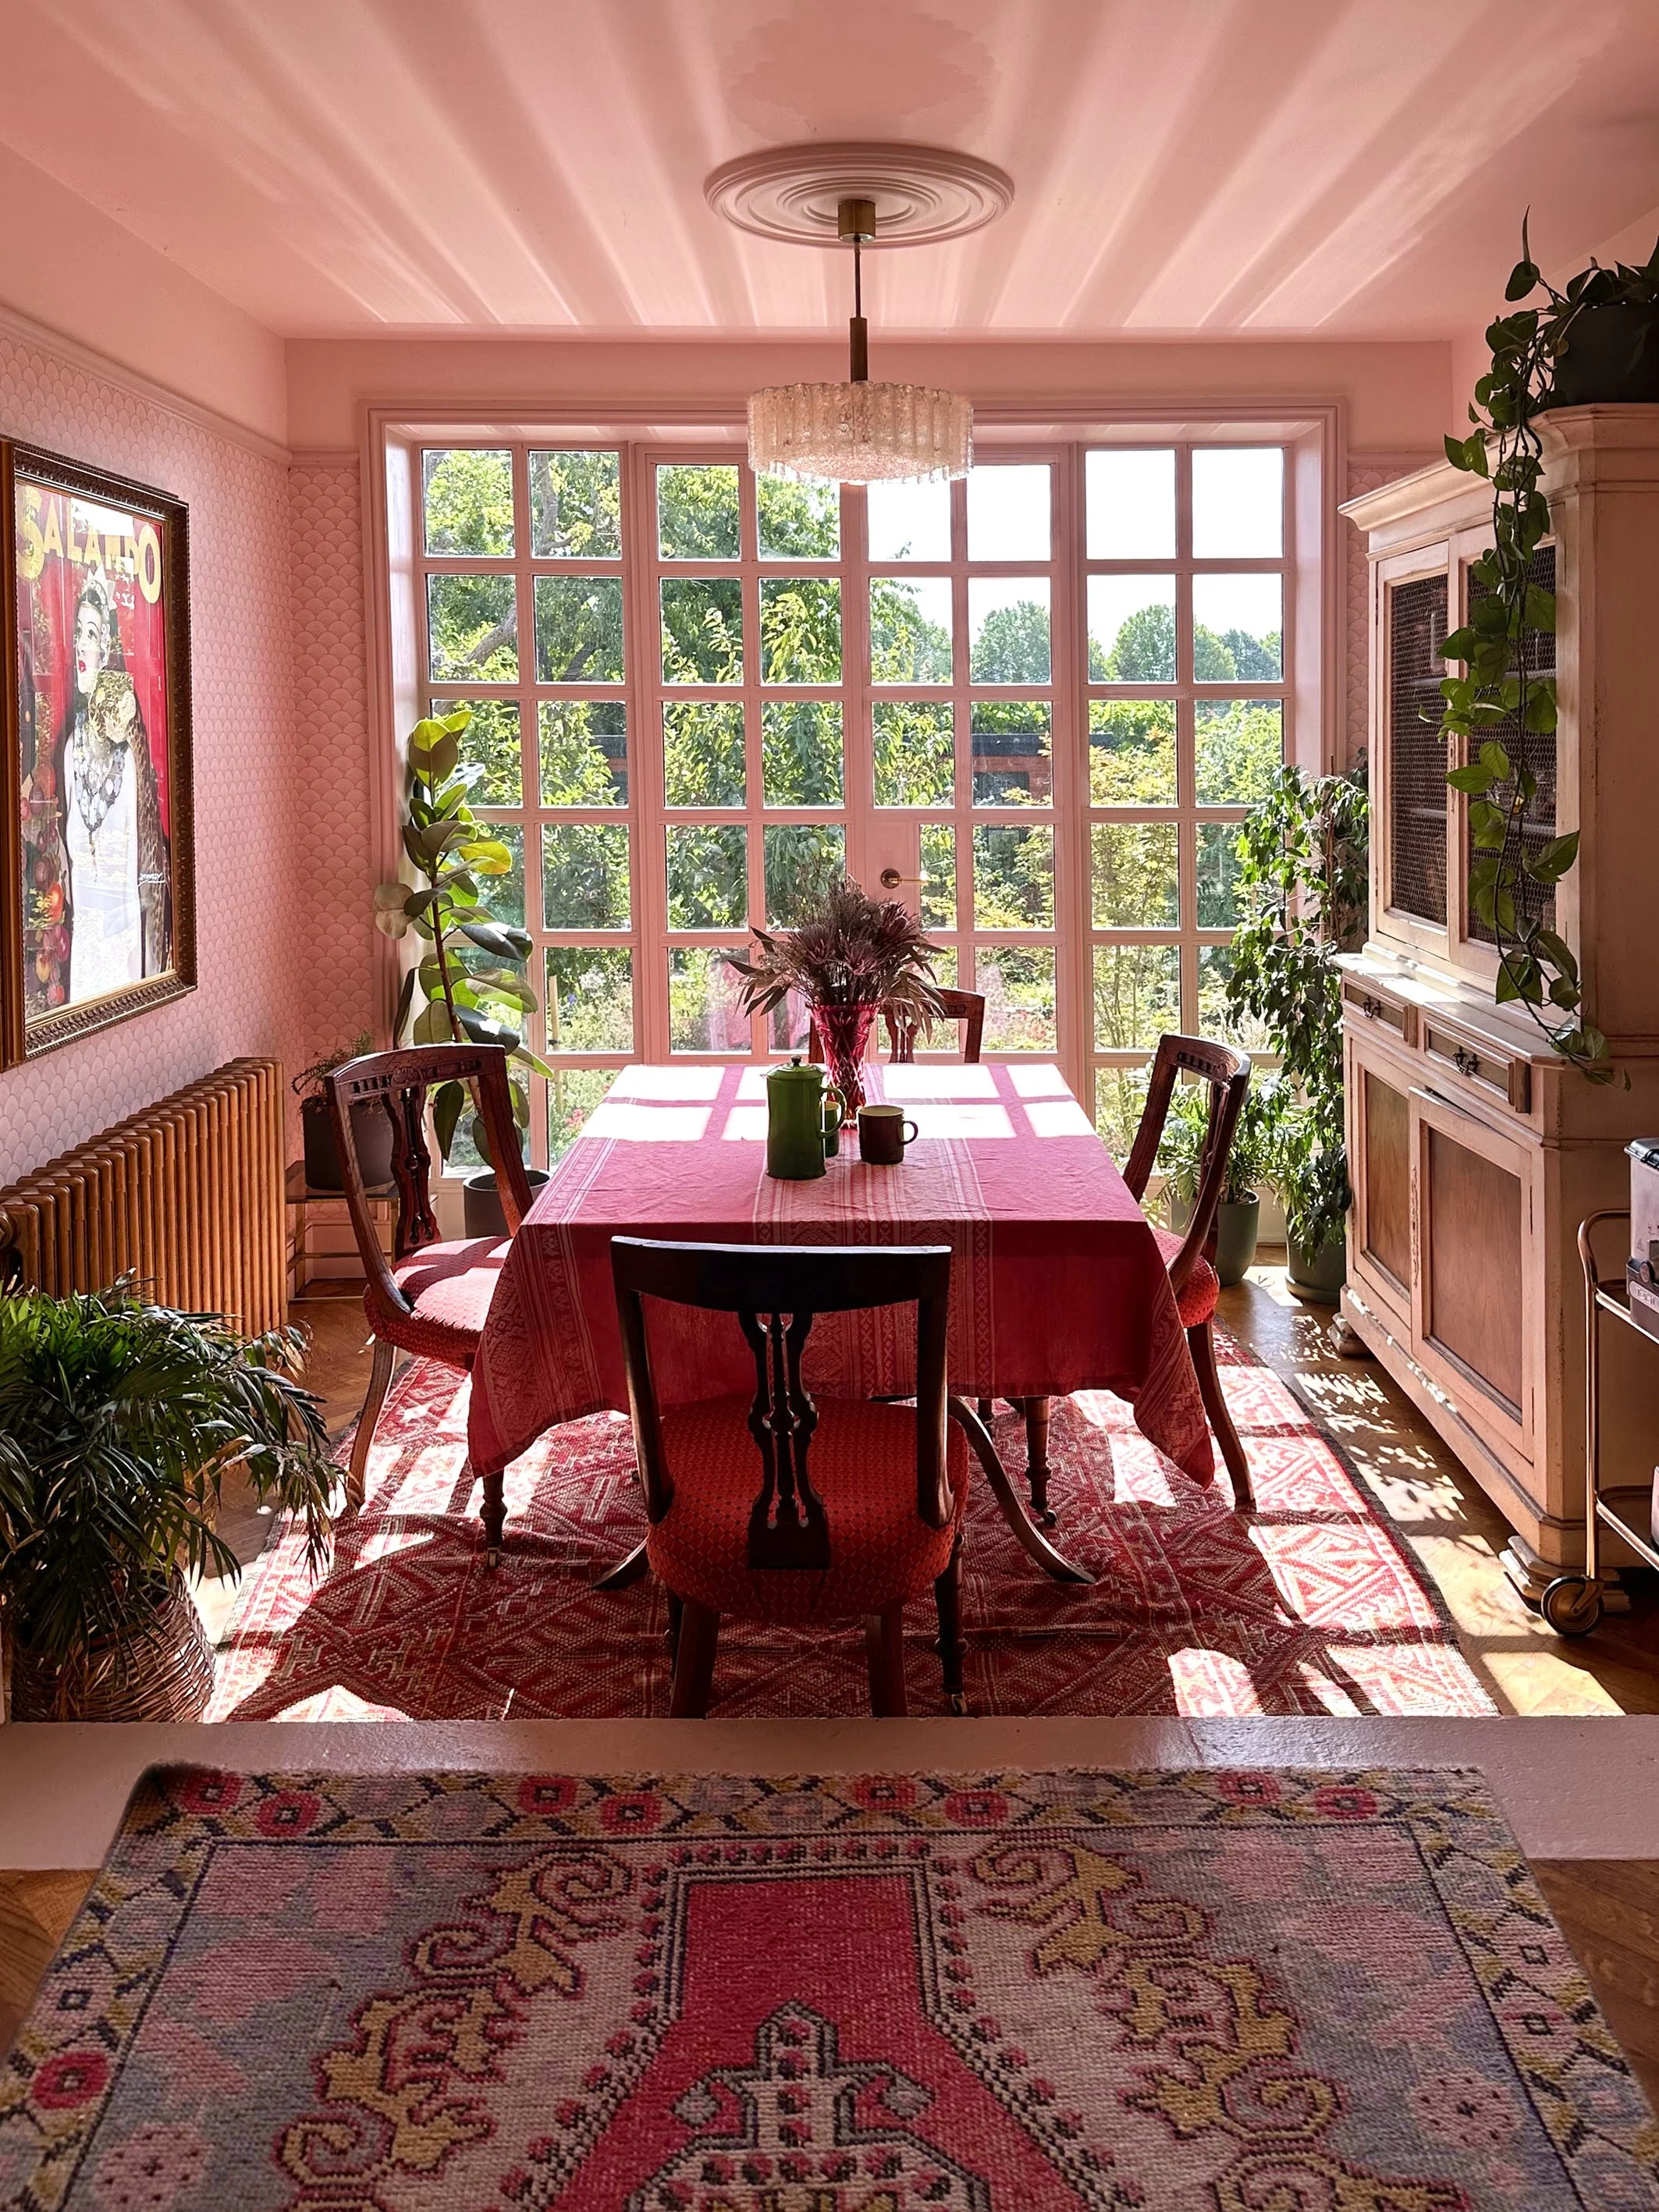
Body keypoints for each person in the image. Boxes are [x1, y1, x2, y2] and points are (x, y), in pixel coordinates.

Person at [55, 571, 168, 1000]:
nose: (83, 646)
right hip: (85, 945)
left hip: (125, 941)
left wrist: (150, 964)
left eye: (92, 634)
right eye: (78, 634)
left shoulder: (128, 751)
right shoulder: (70, 751)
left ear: (105, 649)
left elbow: (145, 857)